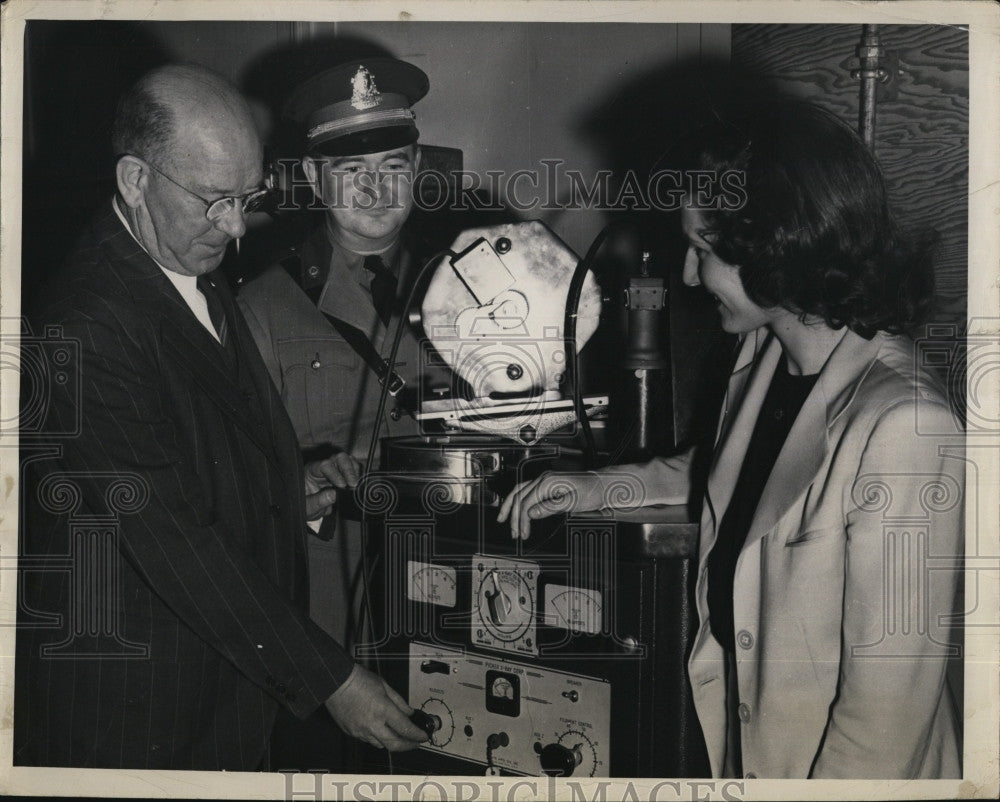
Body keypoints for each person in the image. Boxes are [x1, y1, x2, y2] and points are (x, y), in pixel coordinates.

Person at [498, 101, 964, 779]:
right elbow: (733, 476)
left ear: (780, 247)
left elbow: (883, 732)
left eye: (706, 252)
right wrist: (598, 487)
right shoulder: (767, 355)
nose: (689, 276)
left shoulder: (902, 430)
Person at [15, 63, 427, 771]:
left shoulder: (190, 267)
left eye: (248, 196)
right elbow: (174, 540)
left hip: (221, 700)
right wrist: (330, 679)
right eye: (214, 200)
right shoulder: (85, 326)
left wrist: (289, 494)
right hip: (137, 714)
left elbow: (198, 462)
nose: (236, 226)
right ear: (136, 181)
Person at [237, 59, 450, 674]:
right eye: (351, 169)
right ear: (312, 175)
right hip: (326, 620)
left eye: (392, 168)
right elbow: (236, 484)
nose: (374, 189)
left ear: (417, 168)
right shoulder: (262, 305)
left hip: (450, 599)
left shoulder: (471, 290)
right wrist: (302, 483)